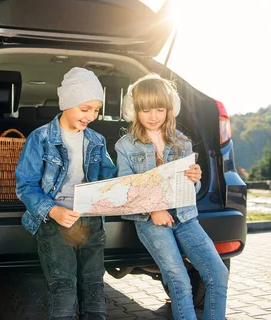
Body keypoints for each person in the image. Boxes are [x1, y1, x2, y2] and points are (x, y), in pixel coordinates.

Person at [115, 74, 228, 320]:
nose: (153, 116)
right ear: (133, 111)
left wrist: (194, 180)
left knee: (218, 274)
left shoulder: (182, 143)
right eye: (145, 110)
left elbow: (190, 192)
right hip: (150, 220)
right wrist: (154, 210)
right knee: (179, 278)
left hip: (185, 216)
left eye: (160, 109)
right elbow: (127, 190)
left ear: (170, 109)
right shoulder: (125, 146)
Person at [16, 67, 116, 320]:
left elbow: (109, 178)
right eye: (85, 109)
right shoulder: (40, 139)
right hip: (55, 222)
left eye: (96, 110)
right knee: (64, 289)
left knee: (94, 287)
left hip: (92, 220)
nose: (91, 116)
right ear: (67, 103)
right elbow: (25, 186)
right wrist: (53, 210)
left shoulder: (96, 140)